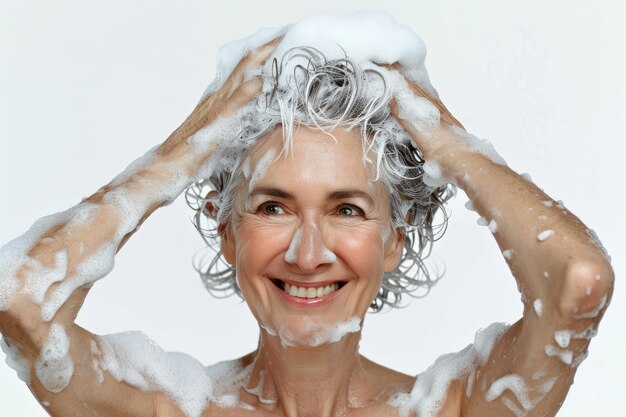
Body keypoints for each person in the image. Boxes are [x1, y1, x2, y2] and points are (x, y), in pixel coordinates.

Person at [0, 14, 614, 417]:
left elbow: (578, 283)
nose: (308, 251)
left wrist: (444, 138)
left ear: (394, 239)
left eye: (347, 208)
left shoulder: (453, 409)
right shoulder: (171, 410)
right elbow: (19, 302)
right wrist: (180, 153)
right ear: (228, 235)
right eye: (273, 206)